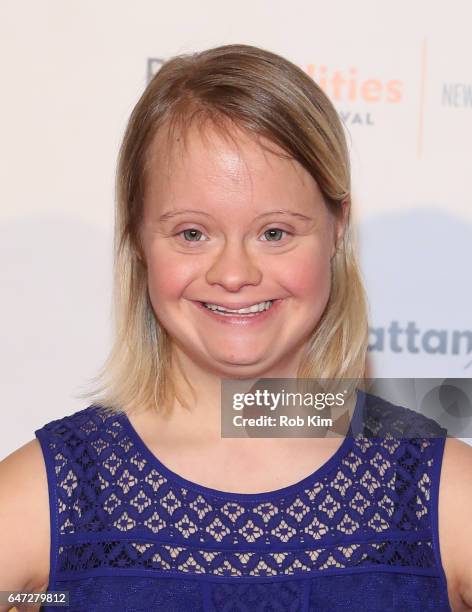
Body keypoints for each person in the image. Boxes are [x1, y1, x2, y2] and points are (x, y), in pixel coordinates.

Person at [0, 43, 471, 612]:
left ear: (337, 228)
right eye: (192, 234)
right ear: (137, 240)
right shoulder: (43, 500)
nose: (233, 274)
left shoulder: (444, 497)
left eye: (274, 232)